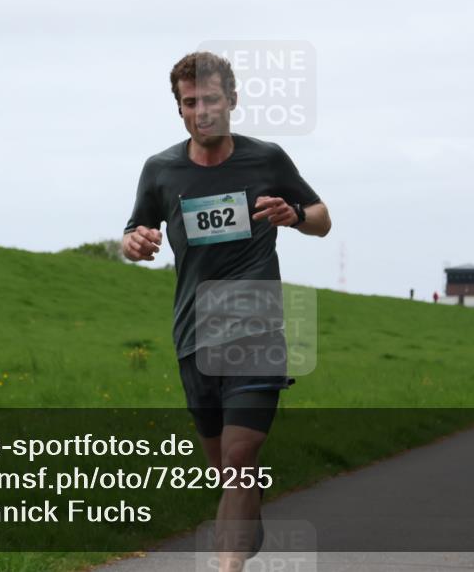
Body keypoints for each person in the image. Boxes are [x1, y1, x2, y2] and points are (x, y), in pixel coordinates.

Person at [121, 51, 331, 570]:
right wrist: (137, 242)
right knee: (225, 467)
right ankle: (247, 526)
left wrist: (295, 213)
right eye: (191, 102)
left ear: (232, 100)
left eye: (212, 100)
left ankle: (226, 565)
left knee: (239, 459)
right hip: (194, 336)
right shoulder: (161, 171)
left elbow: (322, 218)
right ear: (179, 109)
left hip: (256, 328)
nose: (203, 112)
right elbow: (134, 231)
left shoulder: (266, 160)